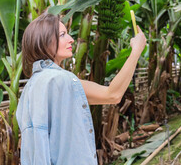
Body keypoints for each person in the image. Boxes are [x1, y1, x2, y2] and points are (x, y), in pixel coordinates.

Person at [16, 13, 146, 165]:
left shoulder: (32, 86)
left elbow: (111, 94)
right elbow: (114, 95)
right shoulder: (61, 81)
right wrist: (136, 52)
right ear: (43, 41)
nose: (71, 39)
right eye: (62, 35)